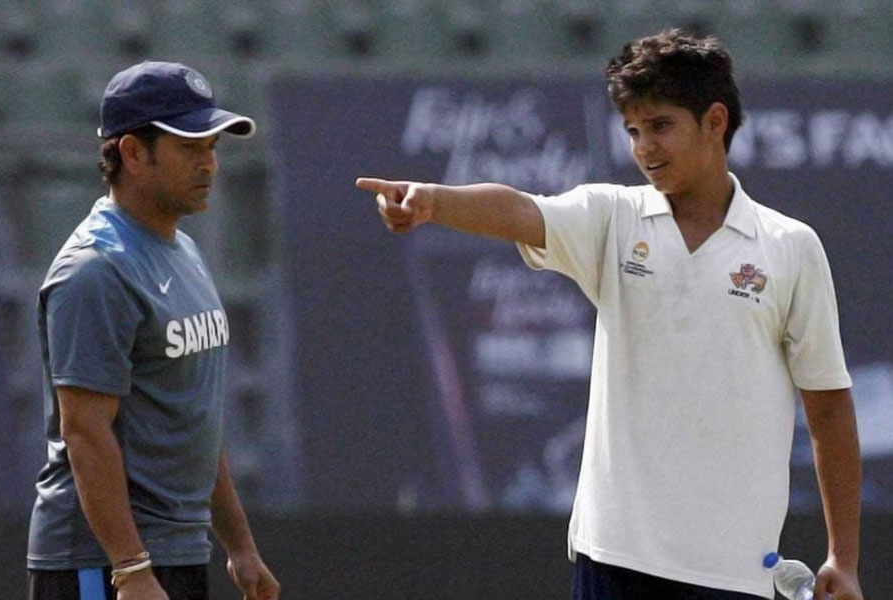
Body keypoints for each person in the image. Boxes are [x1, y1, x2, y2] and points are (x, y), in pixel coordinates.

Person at [356, 29, 862, 600]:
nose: (644, 148)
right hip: (615, 556)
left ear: (715, 121)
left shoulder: (790, 245)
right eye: (632, 131)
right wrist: (432, 201)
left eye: (661, 126)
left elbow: (828, 408)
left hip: (733, 569)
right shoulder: (612, 217)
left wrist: (843, 558)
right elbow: (522, 211)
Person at [27, 61, 281, 600]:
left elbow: (192, 415)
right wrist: (131, 569)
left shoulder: (183, 251)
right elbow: (85, 432)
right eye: (191, 147)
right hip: (99, 565)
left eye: (213, 146)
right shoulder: (95, 270)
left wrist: (239, 545)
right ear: (132, 153)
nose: (210, 164)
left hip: (176, 554)